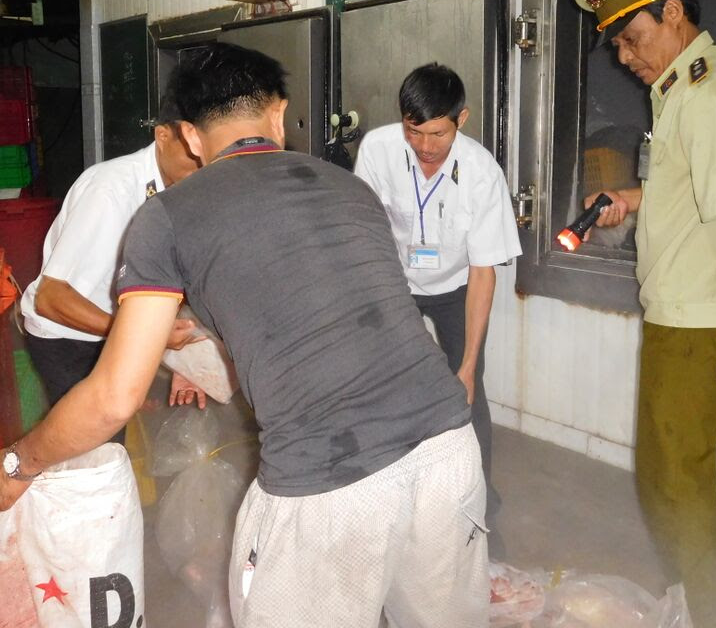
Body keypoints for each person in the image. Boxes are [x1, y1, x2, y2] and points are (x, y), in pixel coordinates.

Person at [1, 43, 488, 628]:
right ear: (278, 115)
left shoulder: (168, 214)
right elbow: (307, 310)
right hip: (449, 449)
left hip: (327, 482)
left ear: (191, 135)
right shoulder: (349, 188)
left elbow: (114, 396)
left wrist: (18, 464)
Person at [574, 0, 716, 628]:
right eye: (617, 45)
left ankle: (706, 616)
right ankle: (687, 601)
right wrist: (630, 198)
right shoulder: (681, 90)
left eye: (632, 38)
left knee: (678, 485)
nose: (625, 57)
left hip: (700, 321)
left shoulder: (712, 94)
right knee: (662, 479)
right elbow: (691, 189)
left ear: (673, 14)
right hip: (676, 313)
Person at [354, 62, 521, 553]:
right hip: (395, 283)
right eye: (414, 131)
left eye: (438, 133)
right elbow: (366, 232)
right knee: (387, 390)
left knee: (468, 396)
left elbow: (484, 272)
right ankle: (391, 503)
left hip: (457, 287)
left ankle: (479, 514)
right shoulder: (378, 150)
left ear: (461, 120)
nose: (425, 146)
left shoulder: (482, 173)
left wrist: (466, 366)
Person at [20, 97, 205, 437]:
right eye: (192, 155)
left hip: (113, 328)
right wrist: (145, 336)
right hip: (67, 337)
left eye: (208, 155)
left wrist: (186, 362)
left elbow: (170, 279)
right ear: (162, 136)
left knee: (109, 438)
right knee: (91, 444)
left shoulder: (180, 191)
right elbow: (50, 298)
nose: (202, 166)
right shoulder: (111, 190)